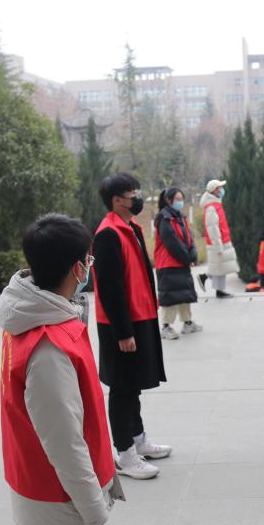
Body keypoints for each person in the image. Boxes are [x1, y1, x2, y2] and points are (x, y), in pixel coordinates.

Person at [0, 213, 139, 525]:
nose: (90, 268)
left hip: (54, 485)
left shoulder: (38, 318)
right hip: (59, 491)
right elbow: (63, 440)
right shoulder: (47, 347)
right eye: (89, 261)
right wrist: (92, 505)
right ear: (78, 268)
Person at [91, 173, 171, 480]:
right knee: (122, 388)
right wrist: (123, 332)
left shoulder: (130, 228)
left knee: (133, 385)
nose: (137, 198)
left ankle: (138, 440)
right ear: (116, 200)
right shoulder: (107, 234)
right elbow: (109, 289)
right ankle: (124, 454)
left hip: (141, 316)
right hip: (122, 324)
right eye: (132, 194)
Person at [153, 188, 201, 341]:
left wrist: (193, 255)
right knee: (170, 296)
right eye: (178, 199)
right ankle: (166, 327)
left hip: (181, 261)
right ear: (169, 200)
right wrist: (187, 258)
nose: (181, 202)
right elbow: (172, 242)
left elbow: (189, 237)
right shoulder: (164, 218)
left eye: (182, 198)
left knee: (184, 293)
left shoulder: (180, 217)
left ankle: (188, 323)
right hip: (168, 263)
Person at [198, 179, 239, 298]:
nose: (221, 190)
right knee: (220, 265)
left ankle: (207, 280)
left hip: (222, 240)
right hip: (218, 242)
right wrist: (218, 245)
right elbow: (212, 228)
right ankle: (218, 289)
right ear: (214, 191)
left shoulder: (215, 205)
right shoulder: (211, 207)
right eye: (219, 188)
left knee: (220, 266)